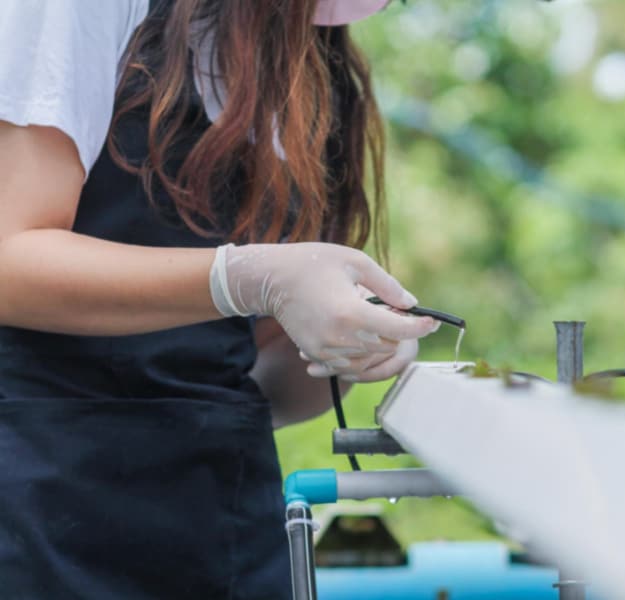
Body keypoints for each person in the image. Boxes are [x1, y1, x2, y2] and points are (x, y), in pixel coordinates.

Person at [0, 0, 438, 597]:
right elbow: (9, 257)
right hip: (42, 510)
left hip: (222, 522)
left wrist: (345, 344)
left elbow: (257, 374)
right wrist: (249, 277)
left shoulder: (309, 62)